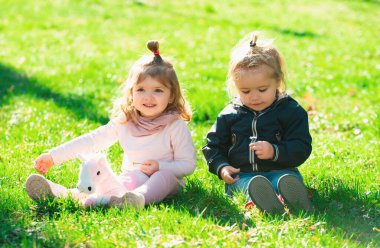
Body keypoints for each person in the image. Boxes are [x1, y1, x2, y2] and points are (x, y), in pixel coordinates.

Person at [26, 40, 196, 209]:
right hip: (132, 180)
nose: (148, 97)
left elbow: (188, 164)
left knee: (162, 177)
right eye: (141, 89)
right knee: (116, 180)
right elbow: (92, 141)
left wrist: (160, 166)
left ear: (172, 95)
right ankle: (63, 193)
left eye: (158, 90)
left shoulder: (174, 125)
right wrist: (54, 156)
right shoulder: (125, 121)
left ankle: (137, 199)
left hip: (166, 182)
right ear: (131, 93)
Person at [202, 32, 313, 214]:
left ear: (277, 81)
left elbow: (301, 145)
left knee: (284, 180)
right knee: (249, 185)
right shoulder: (229, 115)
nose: (254, 97)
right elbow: (213, 146)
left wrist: (275, 151)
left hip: (282, 169)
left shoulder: (290, 111)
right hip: (243, 175)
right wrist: (221, 167)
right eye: (245, 91)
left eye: (262, 89)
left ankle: (291, 195)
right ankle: (263, 198)